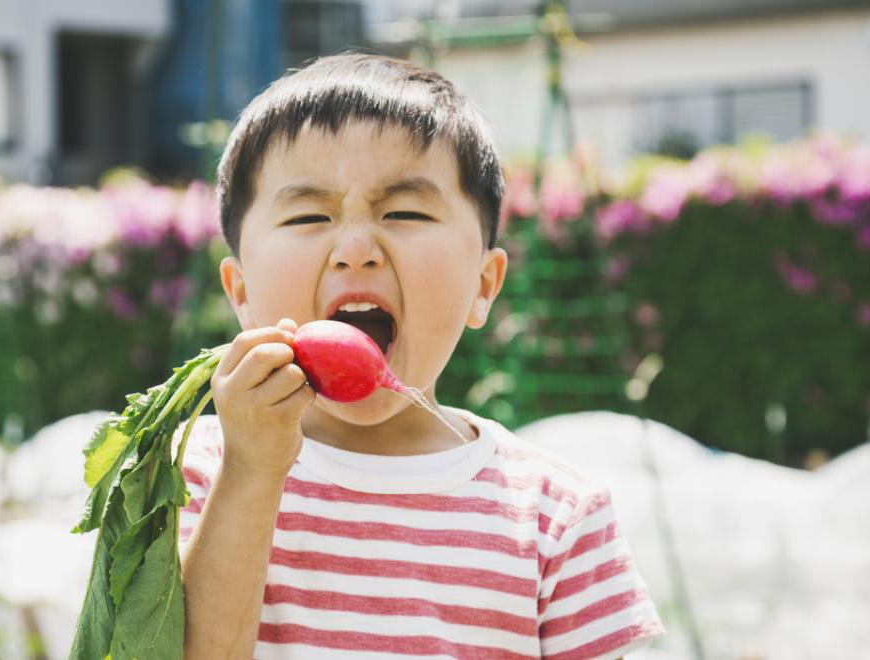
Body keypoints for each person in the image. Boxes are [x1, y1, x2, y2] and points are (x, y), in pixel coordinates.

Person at [178, 52, 665, 659]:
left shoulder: (555, 517)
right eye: (308, 215)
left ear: (483, 286)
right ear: (242, 294)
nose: (356, 250)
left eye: (404, 212)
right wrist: (251, 473)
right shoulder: (194, 475)